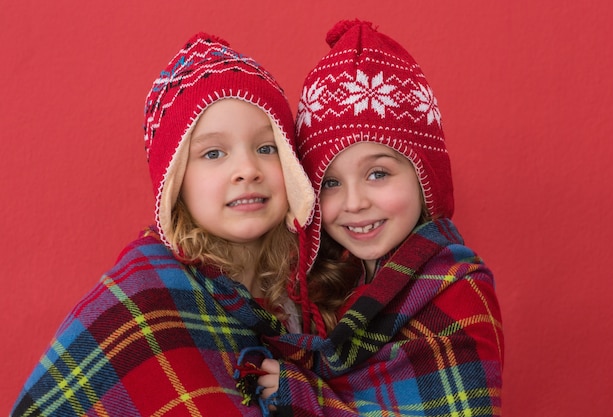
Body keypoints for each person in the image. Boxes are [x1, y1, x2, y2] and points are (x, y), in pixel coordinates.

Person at [11, 32, 314, 416]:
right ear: (176, 182)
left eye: (266, 147)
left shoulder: (304, 296)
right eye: (214, 152)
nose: (248, 170)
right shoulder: (144, 298)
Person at [258, 20, 504, 416]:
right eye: (330, 183)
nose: (354, 203)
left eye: (378, 174)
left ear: (424, 178)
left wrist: (305, 399)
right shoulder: (317, 288)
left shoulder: (457, 290)